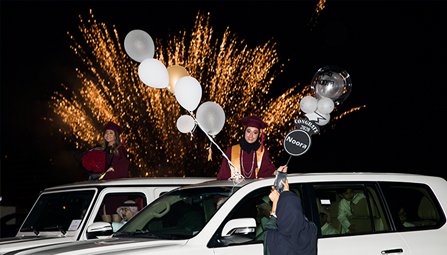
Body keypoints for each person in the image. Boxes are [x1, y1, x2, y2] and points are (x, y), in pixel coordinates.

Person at [263, 169, 317, 255]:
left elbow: (268, 230)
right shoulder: (312, 231)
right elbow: (297, 214)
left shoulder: (277, 240)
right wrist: (286, 195)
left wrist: (275, 204)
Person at [217, 115, 281, 180]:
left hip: (254, 189)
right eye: (248, 131)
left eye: (255, 132)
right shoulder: (231, 151)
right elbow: (223, 175)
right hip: (235, 189)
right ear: (244, 132)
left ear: (258, 135)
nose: (251, 135)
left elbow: (266, 171)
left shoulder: (262, 152)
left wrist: (277, 172)